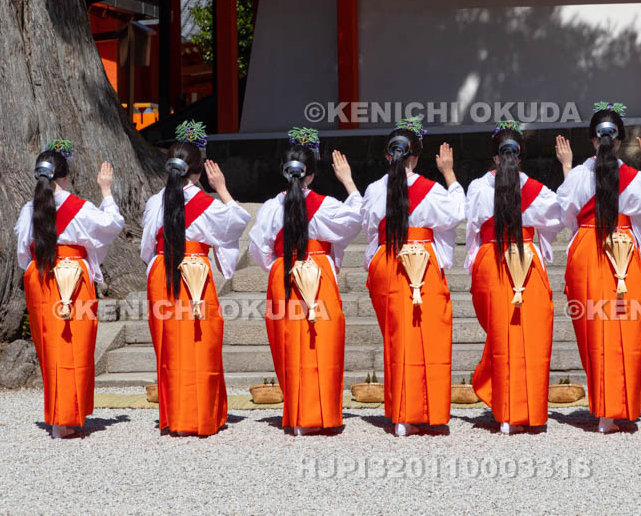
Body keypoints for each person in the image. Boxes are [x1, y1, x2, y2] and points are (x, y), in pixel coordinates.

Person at [555, 103, 641, 433]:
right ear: (619, 142)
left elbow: (566, 209)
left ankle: (603, 409)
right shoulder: (632, 178)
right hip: (622, 250)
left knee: (594, 329)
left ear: (593, 140)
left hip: (588, 249)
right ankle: (616, 407)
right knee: (625, 328)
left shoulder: (577, 175)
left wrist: (566, 168)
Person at [248, 127, 362, 435]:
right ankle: (322, 414)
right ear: (312, 174)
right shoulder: (326, 206)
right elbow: (354, 219)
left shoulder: (272, 207)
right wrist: (349, 182)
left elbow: (258, 248)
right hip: (319, 272)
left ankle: (298, 414)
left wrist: (278, 267)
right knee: (322, 342)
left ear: (285, 173)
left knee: (289, 343)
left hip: (284, 273)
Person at [140, 121, 250, 436]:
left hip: (163, 270)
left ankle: (174, 415)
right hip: (195, 274)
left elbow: (148, 247)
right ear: (198, 172)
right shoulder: (206, 204)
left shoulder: (154, 201)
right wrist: (223, 188)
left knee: (168, 344)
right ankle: (201, 414)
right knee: (201, 341)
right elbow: (238, 221)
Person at [361, 118, 465, 437]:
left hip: (388, 260)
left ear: (386, 155)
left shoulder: (375, 190)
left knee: (398, 338)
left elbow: (369, 227)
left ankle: (401, 413)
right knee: (429, 337)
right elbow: (457, 212)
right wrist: (449, 173)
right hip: (422, 260)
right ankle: (426, 410)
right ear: (416, 157)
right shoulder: (432, 190)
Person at [14, 139, 124, 439]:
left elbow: (24, 252)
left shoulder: (29, 209)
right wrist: (106, 191)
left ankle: (58, 416)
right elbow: (112, 224)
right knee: (76, 346)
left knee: (51, 348)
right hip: (74, 279)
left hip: (42, 277)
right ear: (65, 176)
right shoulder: (80, 207)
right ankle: (68, 416)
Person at [466, 121, 565, 434]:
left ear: (495, 157)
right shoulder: (536, 191)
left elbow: (472, 228)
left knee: (501, 336)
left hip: (491, 260)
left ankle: (506, 410)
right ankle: (526, 409)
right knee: (531, 337)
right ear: (519, 156)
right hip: (526, 259)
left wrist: (473, 263)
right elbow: (557, 216)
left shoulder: (479, 188)